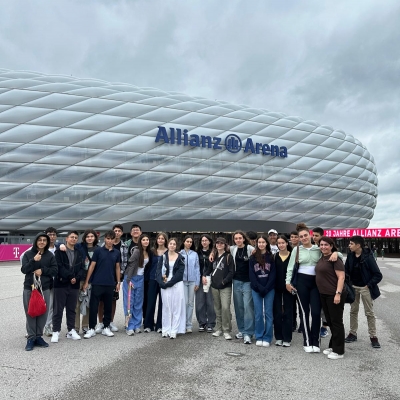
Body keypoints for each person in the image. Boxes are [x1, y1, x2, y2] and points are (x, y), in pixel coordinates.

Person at [286, 223, 339, 353]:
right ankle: (307, 341)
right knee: (304, 313)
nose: (303, 238)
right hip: (301, 282)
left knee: (316, 312)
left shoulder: (318, 248)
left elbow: (334, 254)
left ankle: (316, 341)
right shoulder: (297, 250)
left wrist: (336, 253)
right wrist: (287, 282)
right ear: (299, 238)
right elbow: (290, 267)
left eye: (305, 235)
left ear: (310, 235)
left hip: (316, 283)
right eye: (301, 237)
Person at [345, 235, 383, 349]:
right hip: (353, 287)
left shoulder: (368, 257)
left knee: (369, 312)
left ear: (358, 245)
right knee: (353, 311)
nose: (349, 246)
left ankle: (373, 336)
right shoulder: (350, 256)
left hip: (365, 288)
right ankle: (352, 333)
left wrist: (368, 285)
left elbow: (378, 275)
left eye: (351, 244)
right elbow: (346, 271)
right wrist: (349, 283)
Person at [21, 232, 57, 351]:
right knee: (30, 312)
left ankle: (38, 336)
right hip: (30, 287)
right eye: (39, 240)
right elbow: (24, 269)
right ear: (36, 241)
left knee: (43, 312)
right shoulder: (28, 254)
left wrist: (43, 270)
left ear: (47, 242)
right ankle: (31, 337)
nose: (42, 242)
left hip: (44, 288)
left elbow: (55, 270)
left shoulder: (50, 255)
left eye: (44, 240)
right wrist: (33, 260)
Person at [83, 230, 121, 339]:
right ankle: (91, 328)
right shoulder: (98, 251)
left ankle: (106, 327)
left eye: (112, 239)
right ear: (105, 239)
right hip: (97, 282)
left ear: (114, 240)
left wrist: (118, 282)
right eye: (108, 239)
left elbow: (117, 268)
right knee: (94, 306)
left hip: (110, 283)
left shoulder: (117, 252)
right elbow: (92, 266)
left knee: (108, 306)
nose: (110, 241)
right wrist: (86, 281)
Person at [52, 231, 86, 343]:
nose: (74, 239)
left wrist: (77, 277)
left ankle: (71, 330)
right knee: (58, 309)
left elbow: (82, 268)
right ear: (66, 238)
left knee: (72, 309)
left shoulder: (79, 252)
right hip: (61, 284)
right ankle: (56, 331)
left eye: (76, 237)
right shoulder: (59, 251)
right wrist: (71, 276)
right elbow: (59, 267)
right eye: (72, 237)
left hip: (74, 285)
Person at [315, 237, 346, 359]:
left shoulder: (335, 259)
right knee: (330, 321)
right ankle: (333, 346)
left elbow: (341, 277)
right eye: (321, 245)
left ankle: (339, 351)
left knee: (336, 322)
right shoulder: (322, 257)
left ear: (331, 246)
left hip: (334, 294)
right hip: (324, 294)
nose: (323, 247)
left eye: (326, 245)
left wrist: (338, 293)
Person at [96, 224, 126, 333]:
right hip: (103, 277)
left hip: (114, 277)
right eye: (115, 231)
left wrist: (120, 276)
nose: (117, 233)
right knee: (101, 301)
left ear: (121, 233)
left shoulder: (123, 246)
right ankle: (100, 322)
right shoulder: (102, 247)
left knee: (113, 300)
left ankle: (110, 321)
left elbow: (124, 262)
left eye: (119, 231)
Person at [156, 238, 186, 339]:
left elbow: (180, 273)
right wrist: (161, 282)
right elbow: (158, 271)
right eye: (170, 243)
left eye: (174, 244)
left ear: (176, 246)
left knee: (176, 307)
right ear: (168, 245)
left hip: (176, 284)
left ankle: (174, 330)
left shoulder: (180, 258)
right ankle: (166, 329)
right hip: (165, 284)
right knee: (166, 307)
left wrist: (170, 283)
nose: (172, 245)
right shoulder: (163, 257)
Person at [205, 237, 234, 340]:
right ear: (215, 245)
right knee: (217, 308)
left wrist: (224, 281)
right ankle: (219, 328)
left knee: (225, 307)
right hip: (214, 286)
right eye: (218, 243)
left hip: (225, 286)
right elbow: (209, 269)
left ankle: (226, 330)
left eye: (222, 243)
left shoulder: (228, 256)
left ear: (225, 245)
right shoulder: (213, 256)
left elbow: (231, 272)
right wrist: (204, 275)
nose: (219, 245)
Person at [250, 235, 276, 347]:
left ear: (266, 243)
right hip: (256, 289)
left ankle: (267, 337)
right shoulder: (253, 257)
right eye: (259, 242)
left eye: (263, 242)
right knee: (258, 314)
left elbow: (273, 274)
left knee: (269, 314)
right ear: (257, 244)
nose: (261, 244)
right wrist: (259, 287)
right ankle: (259, 335)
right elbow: (252, 274)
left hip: (269, 289)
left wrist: (267, 287)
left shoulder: (271, 257)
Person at [230, 230, 255, 344]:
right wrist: (212, 253)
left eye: (240, 238)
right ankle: (242, 330)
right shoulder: (232, 249)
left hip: (247, 281)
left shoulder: (250, 248)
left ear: (244, 239)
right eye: (236, 238)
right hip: (236, 281)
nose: (238, 240)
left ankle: (248, 333)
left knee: (248, 307)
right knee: (238, 307)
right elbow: (218, 248)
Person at [124, 234, 151, 335]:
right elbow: (131, 265)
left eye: (147, 239)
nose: (146, 241)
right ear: (140, 241)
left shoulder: (148, 252)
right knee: (129, 303)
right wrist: (129, 280)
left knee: (138, 302)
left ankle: (137, 325)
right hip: (131, 277)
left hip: (141, 278)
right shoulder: (137, 251)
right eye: (143, 240)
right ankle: (129, 326)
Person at [74, 229, 99, 334]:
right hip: (79, 278)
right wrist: (61, 245)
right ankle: (75, 327)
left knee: (88, 303)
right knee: (76, 304)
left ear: (95, 238)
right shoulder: (79, 247)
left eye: (92, 236)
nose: (90, 238)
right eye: (88, 236)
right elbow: (68, 246)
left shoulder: (98, 249)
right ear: (84, 238)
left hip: (92, 280)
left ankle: (85, 326)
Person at [143, 232, 167, 333]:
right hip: (152, 279)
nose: (160, 240)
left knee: (162, 303)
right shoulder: (152, 252)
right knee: (150, 302)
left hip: (164, 280)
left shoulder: (168, 252)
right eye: (159, 238)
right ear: (156, 240)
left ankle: (160, 325)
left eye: (162, 238)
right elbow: (147, 266)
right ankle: (148, 324)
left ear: (165, 240)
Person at [273, 235, 293, 347]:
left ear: (286, 243)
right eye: (279, 243)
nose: (281, 245)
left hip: (289, 288)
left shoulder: (292, 256)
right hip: (276, 288)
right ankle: (279, 337)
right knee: (277, 313)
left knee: (288, 313)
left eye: (282, 243)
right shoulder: (274, 256)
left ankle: (287, 338)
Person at [179, 235, 200, 333]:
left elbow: (197, 268)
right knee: (184, 302)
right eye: (187, 241)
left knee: (191, 303)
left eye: (191, 242)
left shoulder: (194, 254)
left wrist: (197, 281)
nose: (189, 243)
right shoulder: (179, 254)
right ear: (184, 242)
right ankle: (182, 324)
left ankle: (189, 325)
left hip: (192, 281)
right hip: (182, 281)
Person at [313, 227, 330, 339]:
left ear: (322, 236)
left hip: (325, 282)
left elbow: (337, 254)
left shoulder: (325, 247)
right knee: (315, 306)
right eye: (313, 235)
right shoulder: (313, 248)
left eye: (316, 236)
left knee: (325, 307)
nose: (314, 237)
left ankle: (324, 327)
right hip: (314, 281)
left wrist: (335, 254)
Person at [197, 234, 216, 333]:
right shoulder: (197, 253)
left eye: (206, 240)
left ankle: (211, 323)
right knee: (200, 302)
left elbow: (212, 266)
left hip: (210, 279)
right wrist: (201, 276)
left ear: (209, 241)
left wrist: (205, 275)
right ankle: (202, 322)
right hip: (199, 279)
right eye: (202, 240)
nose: (204, 242)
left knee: (210, 302)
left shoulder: (214, 252)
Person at [289, 230, 302, 333]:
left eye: (295, 237)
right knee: (291, 304)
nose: (293, 238)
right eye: (292, 237)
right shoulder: (288, 248)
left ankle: (302, 324)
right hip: (291, 279)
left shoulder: (302, 248)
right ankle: (293, 322)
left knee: (301, 304)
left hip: (300, 278)